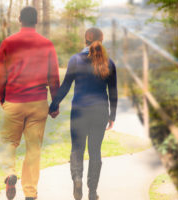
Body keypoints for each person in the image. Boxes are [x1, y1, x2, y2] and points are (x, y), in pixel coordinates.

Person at [0, 6, 60, 200]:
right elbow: (54, 77)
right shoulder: (47, 44)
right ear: (37, 21)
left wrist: (2, 98)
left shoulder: (8, 43)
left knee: (9, 142)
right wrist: (54, 103)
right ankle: (30, 193)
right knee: (33, 149)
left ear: (19, 19)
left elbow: (1, 75)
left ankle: (10, 174)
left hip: (14, 101)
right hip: (38, 103)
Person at [49, 27, 118, 200]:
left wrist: (54, 105)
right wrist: (112, 116)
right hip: (100, 111)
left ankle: (77, 179)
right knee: (95, 152)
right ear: (101, 41)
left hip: (79, 111)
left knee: (77, 149)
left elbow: (66, 85)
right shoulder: (109, 63)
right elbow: (113, 93)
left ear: (85, 40)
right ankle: (92, 192)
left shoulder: (75, 60)